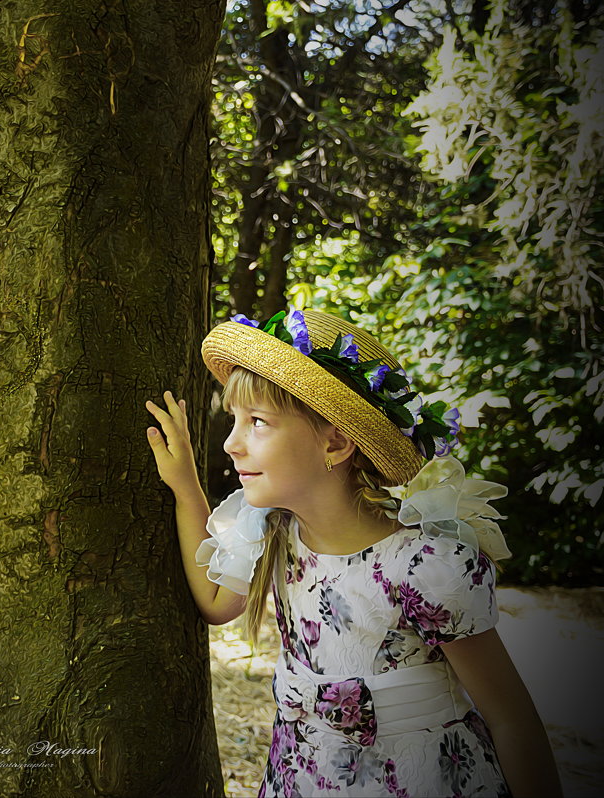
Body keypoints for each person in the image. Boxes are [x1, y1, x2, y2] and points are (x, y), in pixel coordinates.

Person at [144, 309, 561, 797]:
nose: (232, 443)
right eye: (235, 420)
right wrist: (185, 489)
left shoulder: (426, 566)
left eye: (257, 421)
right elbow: (215, 602)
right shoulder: (273, 533)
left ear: (336, 442)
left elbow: (510, 718)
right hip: (301, 781)